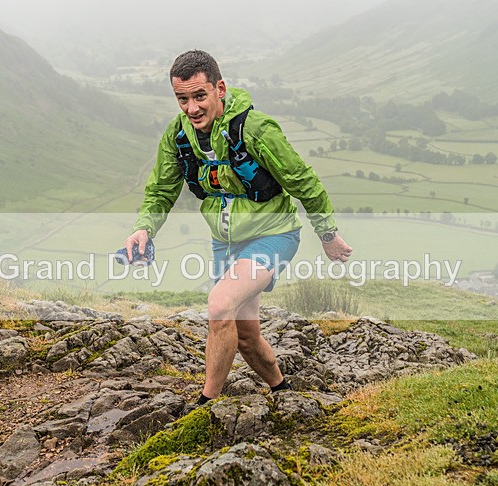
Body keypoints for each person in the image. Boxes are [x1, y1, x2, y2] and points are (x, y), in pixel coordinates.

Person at [122, 50, 352, 405]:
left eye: (200, 96)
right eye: (182, 99)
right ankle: (282, 390)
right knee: (244, 335)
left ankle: (206, 403)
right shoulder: (177, 137)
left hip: (274, 235)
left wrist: (327, 234)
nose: (191, 108)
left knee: (219, 306)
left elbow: (301, 180)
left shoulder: (256, 128)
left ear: (220, 89)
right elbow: (160, 189)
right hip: (225, 243)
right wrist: (144, 229)